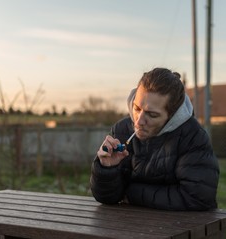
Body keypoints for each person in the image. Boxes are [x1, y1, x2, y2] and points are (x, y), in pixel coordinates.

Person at [90, 67, 219, 211]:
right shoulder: (122, 130)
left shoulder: (192, 136)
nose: (139, 122)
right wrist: (107, 169)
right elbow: (106, 197)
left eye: (152, 115)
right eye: (137, 108)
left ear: (173, 115)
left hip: (182, 228)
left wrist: (131, 193)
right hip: (129, 227)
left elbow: (198, 198)